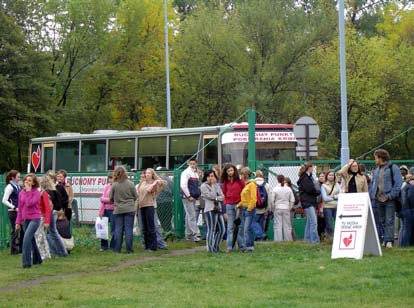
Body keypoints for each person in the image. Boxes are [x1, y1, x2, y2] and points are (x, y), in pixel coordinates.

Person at [369, 149, 402, 248]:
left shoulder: (393, 168)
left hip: (389, 199)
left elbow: (398, 183)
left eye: (375, 157)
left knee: (390, 220)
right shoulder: (377, 169)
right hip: (378, 198)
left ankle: (389, 241)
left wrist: (391, 195)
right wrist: (372, 194)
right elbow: (373, 184)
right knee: (382, 220)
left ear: (380, 157)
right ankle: (385, 238)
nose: (375, 160)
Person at [15, 174, 42, 268]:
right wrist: (18, 222)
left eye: (29, 180)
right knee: (31, 239)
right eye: (26, 180)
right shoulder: (21, 193)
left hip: (35, 219)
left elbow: (30, 203)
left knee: (26, 239)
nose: (27, 182)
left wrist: (29, 191)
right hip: (25, 219)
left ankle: (26, 263)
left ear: (34, 183)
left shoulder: (36, 192)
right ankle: (38, 259)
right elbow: (20, 208)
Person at [110, 166, 138, 253]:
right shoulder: (130, 183)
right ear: (125, 173)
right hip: (129, 209)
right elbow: (136, 196)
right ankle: (129, 249)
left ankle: (117, 249)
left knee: (118, 229)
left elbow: (111, 198)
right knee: (128, 230)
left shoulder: (114, 185)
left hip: (118, 209)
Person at [137, 168, 165, 251]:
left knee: (151, 227)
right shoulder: (142, 183)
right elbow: (138, 195)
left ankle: (153, 246)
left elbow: (150, 190)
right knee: (144, 227)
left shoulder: (154, 183)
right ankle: (146, 245)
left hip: (149, 205)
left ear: (152, 174)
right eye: (146, 173)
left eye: (149, 173)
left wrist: (156, 181)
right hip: (141, 206)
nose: (147, 174)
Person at [221, 163, 245, 253]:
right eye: (228, 171)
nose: (230, 172)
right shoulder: (225, 182)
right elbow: (224, 192)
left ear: (234, 170)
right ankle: (229, 247)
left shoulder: (239, 180)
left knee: (240, 226)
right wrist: (226, 203)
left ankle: (241, 246)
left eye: (231, 170)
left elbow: (244, 190)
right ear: (226, 172)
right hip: (229, 205)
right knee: (230, 227)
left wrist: (241, 202)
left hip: (239, 205)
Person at [42, 176, 68, 257]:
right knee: (53, 233)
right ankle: (60, 251)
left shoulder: (47, 192)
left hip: (49, 213)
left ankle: (61, 251)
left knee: (53, 233)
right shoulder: (55, 191)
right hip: (54, 212)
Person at [200, 169, 225, 253]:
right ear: (206, 177)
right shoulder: (204, 186)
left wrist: (217, 197)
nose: (211, 178)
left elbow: (222, 196)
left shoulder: (216, 185)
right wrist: (216, 195)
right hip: (210, 209)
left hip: (218, 208)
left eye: (213, 176)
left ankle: (216, 246)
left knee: (222, 229)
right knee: (212, 229)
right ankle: (210, 248)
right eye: (209, 176)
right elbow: (211, 196)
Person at [297, 162, 320, 244]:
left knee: (309, 222)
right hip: (308, 202)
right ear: (309, 168)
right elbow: (310, 189)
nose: (313, 169)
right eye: (312, 167)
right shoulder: (305, 178)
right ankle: (315, 241)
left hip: (307, 201)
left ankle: (307, 240)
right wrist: (318, 192)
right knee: (313, 222)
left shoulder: (306, 177)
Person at [2, 170, 23, 254]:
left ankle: (19, 248)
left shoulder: (17, 186)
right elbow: (4, 200)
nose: (19, 178)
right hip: (13, 211)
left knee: (21, 230)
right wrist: (14, 207)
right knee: (15, 229)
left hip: (18, 210)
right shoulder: (10, 187)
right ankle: (14, 249)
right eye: (18, 177)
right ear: (13, 177)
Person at [180, 158, 201, 242]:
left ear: (196, 164)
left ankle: (188, 234)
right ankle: (195, 233)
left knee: (189, 215)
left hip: (192, 196)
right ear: (189, 164)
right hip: (188, 197)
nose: (192, 165)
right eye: (191, 163)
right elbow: (183, 185)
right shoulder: (186, 172)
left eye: (194, 163)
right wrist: (188, 196)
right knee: (191, 215)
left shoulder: (194, 173)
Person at [237, 167, 257, 252]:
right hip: (244, 208)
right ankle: (249, 246)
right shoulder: (247, 184)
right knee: (248, 229)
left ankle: (248, 247)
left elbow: (253, 198)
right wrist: (239, 204)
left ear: (244, 175)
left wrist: (249, 208)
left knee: (246, 229)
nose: (240, 176)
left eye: (241, 174)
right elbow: (245, 199)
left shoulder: (251, 184)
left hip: (249, 209)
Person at [271, 174, 295, 241]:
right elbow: (292, 200)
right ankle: (288, 240)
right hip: (286, 208)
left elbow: (272, 200)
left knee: (278, 225)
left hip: (277, 208)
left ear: (277, 180)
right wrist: (289, 207)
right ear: (284, 180)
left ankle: (278, 240)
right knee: (287, 225)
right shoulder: (288, 189)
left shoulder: (275, 189)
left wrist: (273, 208)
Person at [321, 170, 341, 239]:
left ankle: (338, 237)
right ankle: (330, 238)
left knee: (338, 222)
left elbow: (341, 195)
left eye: (332, 175)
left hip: (337, 206)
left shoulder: (337, 184)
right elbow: (325, 198)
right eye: (330, 175)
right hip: (327, 207)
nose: (331, 176)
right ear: (327, 176)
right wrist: (336, 197)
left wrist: (334, 197)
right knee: (329, 224)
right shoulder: (323, 185)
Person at [36, 176, 52, 260]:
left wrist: (47, 221)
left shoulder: (43, 193)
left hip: (41, 217)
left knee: (38, 235)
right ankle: (46, 253)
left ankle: (39, 255)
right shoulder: (34, 193)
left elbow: (47, 208)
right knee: (41, 236)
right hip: (35, 217)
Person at [99, 173, 115, 251]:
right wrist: (101, 211)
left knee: (113, 229)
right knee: (103, 228)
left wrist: (103, 199)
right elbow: (103, 200)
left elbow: (112, 200)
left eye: (112, 178)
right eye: (109, 178)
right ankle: (103, 246)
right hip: (105, 210)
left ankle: (113, 246)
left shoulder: (116, 187)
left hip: (113, 210)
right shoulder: (107, 186)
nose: (110, 180)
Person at [253, 170, 270, 240]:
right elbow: (269, 197)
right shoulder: (267, 185)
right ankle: (260, 237)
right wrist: (268, 208)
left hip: (255, 208)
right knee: (260, 223)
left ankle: (261, 235)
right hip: (264, 208)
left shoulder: (252, 184)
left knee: (253, 222)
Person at [316, 172, 326, 240]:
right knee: (319, 221)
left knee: (325, 221)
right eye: (320, 176)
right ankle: (319, 236)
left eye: (323, 176)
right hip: (319, 205)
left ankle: (325, 235)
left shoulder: (327, 184)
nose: (321, 177)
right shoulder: (316, 185)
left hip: (326, 204)